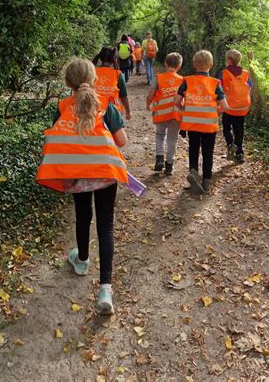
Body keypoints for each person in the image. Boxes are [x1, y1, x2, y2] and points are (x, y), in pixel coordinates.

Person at [36, 58, 129, 315]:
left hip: (76, 173)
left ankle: (83, 260)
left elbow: (58, 137)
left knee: (82, 215)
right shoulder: (106, 105)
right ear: (95, 79)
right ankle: (106, 290)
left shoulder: (63, 106)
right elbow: (122, 142)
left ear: (67, 83)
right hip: (105, 172)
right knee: (105, 225)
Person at [175, 50, 228, 194]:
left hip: (192, 124)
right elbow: (225, 106)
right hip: (209, 125)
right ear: (211, 64)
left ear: (194, 64)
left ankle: (193, 173)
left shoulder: (187, 81)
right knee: (208, 152)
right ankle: (207, 181)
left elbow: (177, 102)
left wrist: (186, 109)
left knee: (193, 148)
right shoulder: (215, 83)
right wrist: (214, 110)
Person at [146, 53, 183, 176]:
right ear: (179, 66)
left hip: (161, 114)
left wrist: (148, 104)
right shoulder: (182, 80)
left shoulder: (158, 78)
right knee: (172, 139)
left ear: (165, 63)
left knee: (160, 135)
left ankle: (159, 159)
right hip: (176, 115)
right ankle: (169, 166)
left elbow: (151, 94)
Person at [219, 49, 252, 164]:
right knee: (239, 131)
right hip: (242, 109)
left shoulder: (224, 73)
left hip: (229, 108)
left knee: (226, 128)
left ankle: (230, 143)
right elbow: (249, 89)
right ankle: (239, 154)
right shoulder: (246, 73)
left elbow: (219, 90)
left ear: (229, 60)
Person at [93, 46, 131, 121]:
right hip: (114, 112)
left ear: (100, 58)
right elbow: (123, 96)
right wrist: (128, 112)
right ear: (113, 59)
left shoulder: (93, 72)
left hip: (95, 111)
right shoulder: (117, 74)